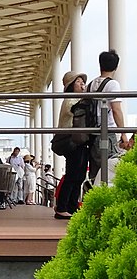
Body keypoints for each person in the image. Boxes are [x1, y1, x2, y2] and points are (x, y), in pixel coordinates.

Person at [87, 50, 128, 183]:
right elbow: (116, 110)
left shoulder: (91, 85)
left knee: (95, 174)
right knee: (108, 174)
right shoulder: (113, 84)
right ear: (116, 67)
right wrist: (123, 134)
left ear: (100, 65)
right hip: (107, 133)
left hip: (91, 135)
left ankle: (92, 201)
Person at [54, 70, 88, 219]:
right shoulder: (70, 100)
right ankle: (62, 207)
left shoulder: (76, 98)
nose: (82, 84)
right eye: (78, 82)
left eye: (82, 82)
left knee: (79, 175)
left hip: (78, 141)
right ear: (71, 86)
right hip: (72, 141)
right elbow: (77, 110)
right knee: (73, 175)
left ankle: (72, 206)